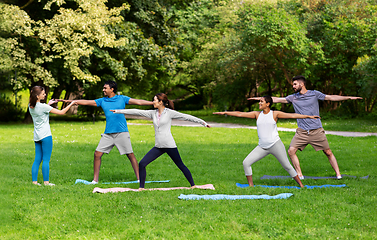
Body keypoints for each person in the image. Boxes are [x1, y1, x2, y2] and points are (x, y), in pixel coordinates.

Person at [248, 75, 362, 179]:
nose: (293, 86)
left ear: (302, 84)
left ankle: (338, 175)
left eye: (295, 84)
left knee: (327, 152)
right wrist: (259, 99)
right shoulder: (294, 97)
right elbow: (277, 99)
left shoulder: (314, 94)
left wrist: (349, 98)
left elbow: (331, 97)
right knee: (291, 151)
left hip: (316, 130)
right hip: (302, 132)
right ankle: (300, 175)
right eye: (293, 84)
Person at [214, 96, 320, 187]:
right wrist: (225, 112)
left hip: (275, 145)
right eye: (259, 101)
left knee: (287, 166)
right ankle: (251, 187)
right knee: (246, 162)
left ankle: (301, 185)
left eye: (262, 101)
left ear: (268, 104)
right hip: (262, 147)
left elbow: (292, 115)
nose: (259, 103)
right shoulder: (257, 114)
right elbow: (240, 114)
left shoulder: (275, 114)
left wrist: (308, 116)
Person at [111, 93, 211, 190]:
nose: (152, 102)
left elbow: (187, 117)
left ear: (160, 102)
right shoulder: (152, 113)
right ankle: (141, 187)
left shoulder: (169, 113)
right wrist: (118, 111)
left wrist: (203, 122)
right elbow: (136, 111)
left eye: (154, 100)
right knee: (142, 164)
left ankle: (193, 185)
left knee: (180, 165)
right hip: (158, 146)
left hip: (169, 145)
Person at [59, 81, 153, 184]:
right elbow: (86, 102)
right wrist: (68, 101)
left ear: (112, 89)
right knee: (97, 154)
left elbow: (138, 102)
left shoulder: (122, 98)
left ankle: (139, 179)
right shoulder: (102, 101)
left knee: (130, 155)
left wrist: (153, 103)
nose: (103, 90)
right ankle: (95, 180)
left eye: (105, 88)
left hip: (121, 132)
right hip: (108, 134)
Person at [29, 86, 77, 186]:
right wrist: (71, 103)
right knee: (46, 159)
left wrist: (49, 104)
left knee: (37, 159)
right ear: (38, 96)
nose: (45, 95)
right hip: (46, 136)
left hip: (37, 136)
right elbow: (61, 112)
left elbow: (41, 110)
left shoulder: (31, 106)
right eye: (43, 94)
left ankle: (34, 182)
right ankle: (46, 182)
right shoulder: (43, 107)